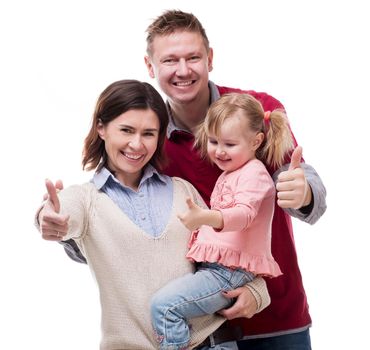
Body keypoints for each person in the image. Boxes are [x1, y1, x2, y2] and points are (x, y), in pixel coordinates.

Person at [44, 9, 327, 350]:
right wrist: (64, 230)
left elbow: (302, 181)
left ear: (210, 58)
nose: (183, 70)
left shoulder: (257, 110)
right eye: (169, 60)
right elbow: (123, 234)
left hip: (275, 314)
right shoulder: (151, 144)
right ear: (151, 67)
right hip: (202, 328)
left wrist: (303, 191)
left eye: (193, 57)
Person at [36, 79, 271, 350]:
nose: (136, 144)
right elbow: (62, 211)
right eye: (126, 130)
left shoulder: (182, 190)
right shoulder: (86, 200)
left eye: (148, 133)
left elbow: (224, 256)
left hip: (214, 343)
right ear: (101, 128)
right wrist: (49, 216)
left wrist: (257, 292)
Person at [150, 93, 293, 350]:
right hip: (219, 270)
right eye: (213, 141)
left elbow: (243, 214)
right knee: (167, 305)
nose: (218, 151)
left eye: (229, 144)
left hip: (228, 273)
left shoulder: (255, 174)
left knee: (165, 307)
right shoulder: (232, 172)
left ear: (256, 141)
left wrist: (206, 218)